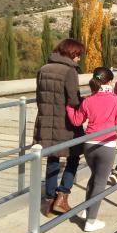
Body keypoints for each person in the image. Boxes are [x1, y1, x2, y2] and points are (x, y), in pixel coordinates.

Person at [66, 67, 117, 232]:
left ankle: (87, 212)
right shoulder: (115, 100)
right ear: (108, 82)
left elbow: (77, 121)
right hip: (107, 145)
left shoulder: (88, 100)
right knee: (100, 182)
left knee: (93, 178)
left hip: (89, 144)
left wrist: (69, 106)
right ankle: (91, 221)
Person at [33, 38, 85, 218]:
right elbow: (74, 100)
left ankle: (49, 201)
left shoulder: (43, 69)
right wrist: (86, 103)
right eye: (78, 55)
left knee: (52, 159)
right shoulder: (69, 71)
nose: (79, 59)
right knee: (73, 157)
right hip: (66, 124)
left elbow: (39, 97)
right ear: (72, 53)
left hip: (45, 121)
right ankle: (62, 197)